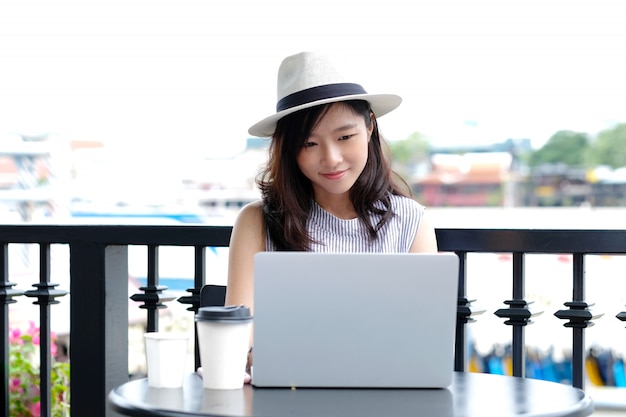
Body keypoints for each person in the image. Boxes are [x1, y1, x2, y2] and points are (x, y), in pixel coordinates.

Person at [224, 51, 438, 382]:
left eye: (344, 137)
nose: (331, 158)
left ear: (369, 126)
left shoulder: (411, 222)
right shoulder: (257, 221)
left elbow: (425, 341)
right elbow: (237, 341)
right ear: (289, 149)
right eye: (309, 143)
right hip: (286, 398)